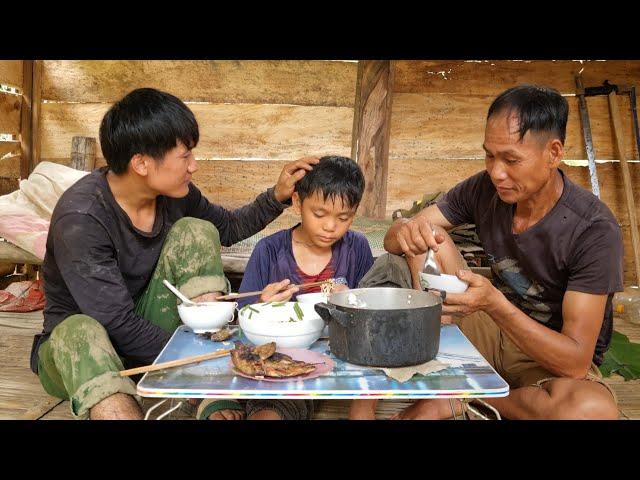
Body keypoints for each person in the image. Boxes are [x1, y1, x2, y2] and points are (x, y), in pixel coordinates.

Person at [30, 87, 319, 420]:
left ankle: (202, 390)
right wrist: (212, 357)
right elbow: (116, 323)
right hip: (79, 353)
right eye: (185, 156)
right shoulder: (82, 218)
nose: (193, 166)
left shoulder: (174, 194)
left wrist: (277, 195)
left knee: (196, 231)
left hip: (145, 337)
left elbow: (227, 227)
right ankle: (192, 381)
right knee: (80, 330)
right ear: (141, 163)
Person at [352, 84, 622, 420]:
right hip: (485, 328)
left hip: (545, 358)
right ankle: (379, 394)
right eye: (489, 155)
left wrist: (494, 303)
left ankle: (461, 399)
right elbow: (398, 241)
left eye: (511, 159)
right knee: (429, 236)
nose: (496, 172)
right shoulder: (484, 188)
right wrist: (404, 230)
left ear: (553, 153)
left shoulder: (594, 229)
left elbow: (575, 361)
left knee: (589, 411)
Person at [196, 155, 374, 420]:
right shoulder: (269, 251)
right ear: (297, 202)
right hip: (278, 365)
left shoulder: (356, 248)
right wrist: (261, 306)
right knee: (267, 414)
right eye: (319, 214)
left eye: (344, 217)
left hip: (340, 363)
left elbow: (372, 313)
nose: (330, 226)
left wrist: (351, 301)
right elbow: (244, 320)